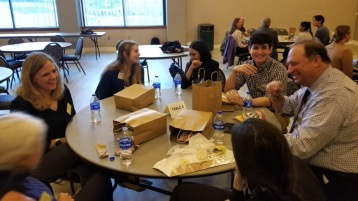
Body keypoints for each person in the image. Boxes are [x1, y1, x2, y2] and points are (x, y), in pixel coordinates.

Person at [266, 40, 358, 201]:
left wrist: (263, 135)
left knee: (264, 173)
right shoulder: (317, 83)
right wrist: (276, 96)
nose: (289, 71)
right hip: (316, 167)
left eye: (294, 64)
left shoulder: (333, 95)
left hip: (336, 180)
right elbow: (289, 106)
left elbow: (301, 147)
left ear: (316, 60)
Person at [169, 119, 325, 201]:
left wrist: (237, 183)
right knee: (184, 191)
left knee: (182, 191)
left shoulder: (270, 195)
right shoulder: (292, 163)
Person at [10, 52, 91, 186]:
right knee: (77, 150)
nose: (53, 77)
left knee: (95, 174)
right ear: (32, 79)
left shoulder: (62, 92)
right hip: (38, 160)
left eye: (54, 71)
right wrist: (61, 141)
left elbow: (73, 120)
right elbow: (24, 147)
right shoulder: (21, 104)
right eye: (46, 74)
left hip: (68, 150)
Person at [0, 113, 113, 201]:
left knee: (99, 178)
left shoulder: (17, 175)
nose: (42, 145)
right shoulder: (17, 197)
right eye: (38, 142)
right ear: (23, 157)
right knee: (102, 180)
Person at [224, 31, 289, 132]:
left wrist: (244, 102)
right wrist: (235, 71)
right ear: (249, 49)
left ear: (270, 49)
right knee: (230, 123)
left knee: (251, 132)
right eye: (255, 48)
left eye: (263, 48)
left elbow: (271, 99)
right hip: (254, 109)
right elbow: (228, 89)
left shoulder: (279, 69)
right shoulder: (247, 65)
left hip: (277, 113)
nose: (259, 52)